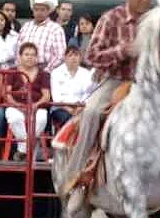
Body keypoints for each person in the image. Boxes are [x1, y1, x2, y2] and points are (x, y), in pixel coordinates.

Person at [65, 0, 152, 187]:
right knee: (91, 112)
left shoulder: (154, 20)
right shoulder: (111, 18)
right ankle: (77, 172)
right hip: (116, 81)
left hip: (148, 85)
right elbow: (91, 55)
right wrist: (123, 51)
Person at [4, 42, 51, 161]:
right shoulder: (12, 71)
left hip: (37, 107)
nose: (30, 57)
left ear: (37, 57)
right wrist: (18, 106)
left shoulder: (43, 74)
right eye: (26, 54)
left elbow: (46, 96)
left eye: (33, 54)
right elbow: (7, 94)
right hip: (16, 106)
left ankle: (22, 151)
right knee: (15, 118)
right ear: (20, 56)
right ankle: (27, 150)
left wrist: (35, 105)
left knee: (41, 119)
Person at [17, 0, 66, 73]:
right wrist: (20, 68)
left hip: (45, 70)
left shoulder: (56, 29)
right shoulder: (26, 26)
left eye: (42, 10)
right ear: (33, 11)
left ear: (48, 11)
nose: (39, 12)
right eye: (36, 9)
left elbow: (60, 55)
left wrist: (45, 71)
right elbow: (18, 50)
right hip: (23, 71)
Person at [51, 46, 93, 128]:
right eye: (70, 56)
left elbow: (88, 93)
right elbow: (56, 96)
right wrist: (69, 109)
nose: (73, 58)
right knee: (69, 119)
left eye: (76, 55)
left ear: (80, 58)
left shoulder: (86, 73)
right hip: (61, 107)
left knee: (89, 118)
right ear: (65, 58)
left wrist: (79, 108)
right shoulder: (56, 73)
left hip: (81, 107)